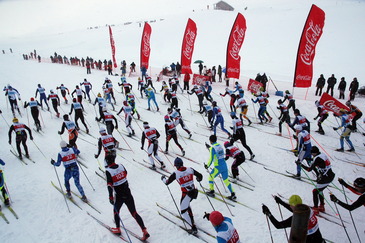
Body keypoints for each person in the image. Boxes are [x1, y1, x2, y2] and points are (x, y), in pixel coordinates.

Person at [104, 155, 150, 239]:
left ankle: (118, 228)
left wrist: (110, 196)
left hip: (119, 196)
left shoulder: (108, 171)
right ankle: (144, 230)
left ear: (107, 161)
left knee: (116, 211)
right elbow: (126, 173)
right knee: (134, 213)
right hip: (128, 193)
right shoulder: (121, 166)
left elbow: (109, 185)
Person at [161, 157, 203, 235]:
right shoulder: (190, 169)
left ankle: (193, 227)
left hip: (186, 194)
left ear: (176, 165)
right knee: (187, 204)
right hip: (194, 191)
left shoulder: (176, 173)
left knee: (183, 212)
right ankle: (192, 219)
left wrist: (163, 178)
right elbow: (200, 175)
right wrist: (198, 179)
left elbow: (167, 182)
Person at [298, 146, 335, 214]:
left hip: (325, 178)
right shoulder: (322, 155)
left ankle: (315, 208)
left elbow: (309, 169)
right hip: (330, 176)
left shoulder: (317, 158)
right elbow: (318, 162)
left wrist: (300, 164)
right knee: (320, 191)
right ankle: (321, 206)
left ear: (314, 153)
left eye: (312, 153)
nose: (311, 154)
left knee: (315, 191)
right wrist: (308, 158)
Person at [205, 135, 236, 200]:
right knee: (226, 180)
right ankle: (233, 193)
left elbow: (211, 159)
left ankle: (212, 191)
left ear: (210, 140)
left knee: (210, 177)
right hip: (224, 165)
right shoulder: (220, 145)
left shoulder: (212, 148)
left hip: (218, 167)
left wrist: (207, 166)